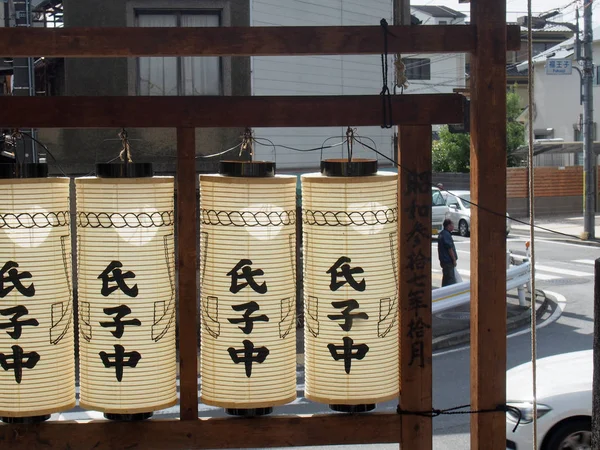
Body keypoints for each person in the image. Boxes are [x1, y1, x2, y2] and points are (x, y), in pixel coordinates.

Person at [438, 219, 458, 286]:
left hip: (443, 261)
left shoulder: (441, 234)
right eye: (452, 225)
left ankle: (444, 293)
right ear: (448, 225)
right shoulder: (446, 235)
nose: (453, 226)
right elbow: (449, 248)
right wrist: (454, 259)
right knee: (450, 280)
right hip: (448, 261)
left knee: (446, 279)